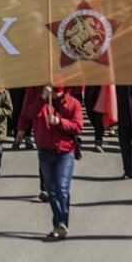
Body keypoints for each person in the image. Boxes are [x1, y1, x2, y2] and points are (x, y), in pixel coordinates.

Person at [16, 85, 83, 239]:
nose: (53, 94)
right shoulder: (41, 100)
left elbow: (77, 127)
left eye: (56, 91)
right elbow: (30, 113)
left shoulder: (73, 103)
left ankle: (61, 223)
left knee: (62, 188)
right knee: (51, 190)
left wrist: (59, 122)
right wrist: (42, 99)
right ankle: (58, 223)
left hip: (65, 151)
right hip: (44, 150)